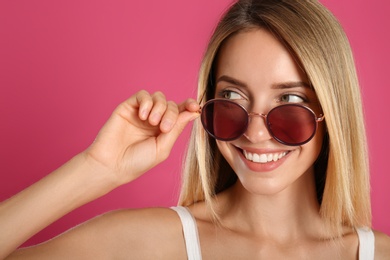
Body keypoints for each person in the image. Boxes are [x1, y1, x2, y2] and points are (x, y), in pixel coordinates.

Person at [1, 0, 389, 259]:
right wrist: (96, 168)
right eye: (232, 97)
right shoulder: (149, 242)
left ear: (332, 114)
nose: (254, 133)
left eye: (288, 102)